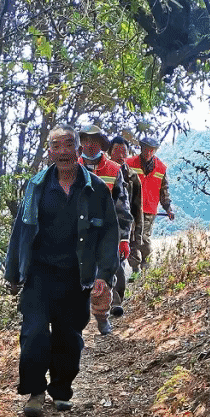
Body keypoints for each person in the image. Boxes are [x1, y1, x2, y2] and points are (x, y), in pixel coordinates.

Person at [4, 123, 119, 417]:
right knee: (34, 333)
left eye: (69, 145)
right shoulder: (37, 187)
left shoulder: (96, 190)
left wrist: (104, 275)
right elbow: (21, 230)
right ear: (50, 152)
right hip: (39, 275)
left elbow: (109, 233)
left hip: (76, 276)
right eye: (57, 146)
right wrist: (13, 273)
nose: (63, 151)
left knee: (69, 337)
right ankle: (35, 391)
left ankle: (61, 390)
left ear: (78, 149)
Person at [77, 124, 132, 335]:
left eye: (94, 141)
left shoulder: (113, 170)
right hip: (77, 234)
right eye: (86, 141)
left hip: (105, 234)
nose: (90, 145)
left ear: (101, 144)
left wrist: (124, 239)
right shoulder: (70, 168)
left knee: (104, 278)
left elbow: (122, 207)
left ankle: (102, 317)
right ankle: (75, 324)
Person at [125, 135, 174, 273]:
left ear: (155, 151)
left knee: (144, 238)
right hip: (131, 208)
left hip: (149, 209)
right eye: (146, 149)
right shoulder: (129, 164)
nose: (148, 152)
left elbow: (164, 191)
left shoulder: (161, 168)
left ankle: (146, 263)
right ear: (141, 148)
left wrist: (168, 208)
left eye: (152, 150)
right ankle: (135, 269)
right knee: (132, 239)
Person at [107, 135, 143, 312]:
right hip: (101, 226)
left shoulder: (133, 178)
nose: (120, 155)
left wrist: (137, 236)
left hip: (123, 228)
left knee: (119, 267)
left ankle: (116, 301)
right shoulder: (103, 172)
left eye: (124, 152)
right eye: (116, 151)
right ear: (109, 152)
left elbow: (137, 209)